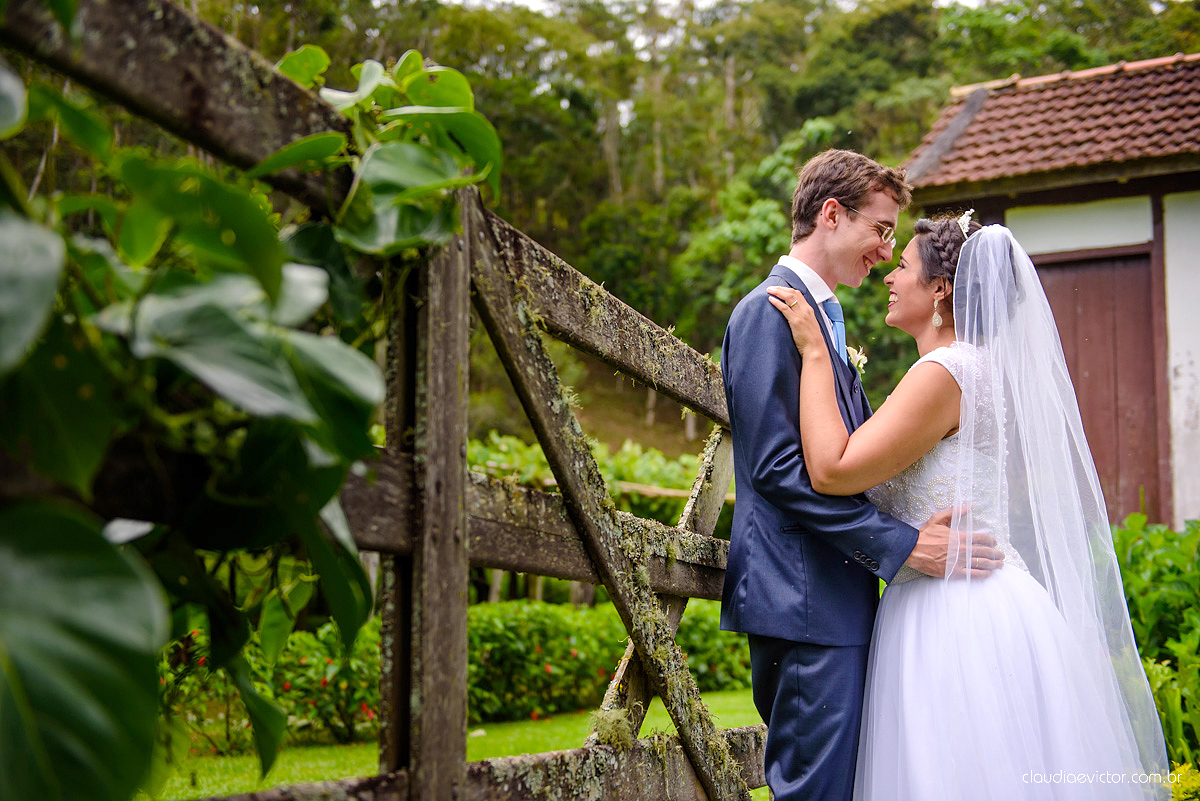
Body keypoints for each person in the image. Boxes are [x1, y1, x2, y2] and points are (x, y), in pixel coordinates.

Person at [766, 216, 1169, 799]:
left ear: (939, 290)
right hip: (969, 595)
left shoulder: (945, 372)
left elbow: (832, 470)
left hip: (951, 614)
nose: (889, 277)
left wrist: (816, 356)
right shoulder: (975, 369)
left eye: (902, 266)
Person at [718, 149, 1004, 801]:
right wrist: (904, 545)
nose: (885, 249)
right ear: (830, 214)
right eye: (880, 229)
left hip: (834, 600)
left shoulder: (820, 322)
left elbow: (854, 463)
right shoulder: (767, 312)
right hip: (804, 601)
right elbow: (779, 471)